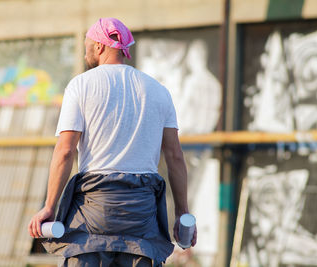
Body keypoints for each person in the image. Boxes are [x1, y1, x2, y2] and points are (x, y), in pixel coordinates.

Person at [28, 17, 197, 267]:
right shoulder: (158, 91)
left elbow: (65, 152)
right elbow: (174, 156)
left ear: (99, 47)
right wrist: (182, 212)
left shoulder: (81, 86)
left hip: (92, 213)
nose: (85, 51)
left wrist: (49, 207)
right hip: (142, 215)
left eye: (87, 44)